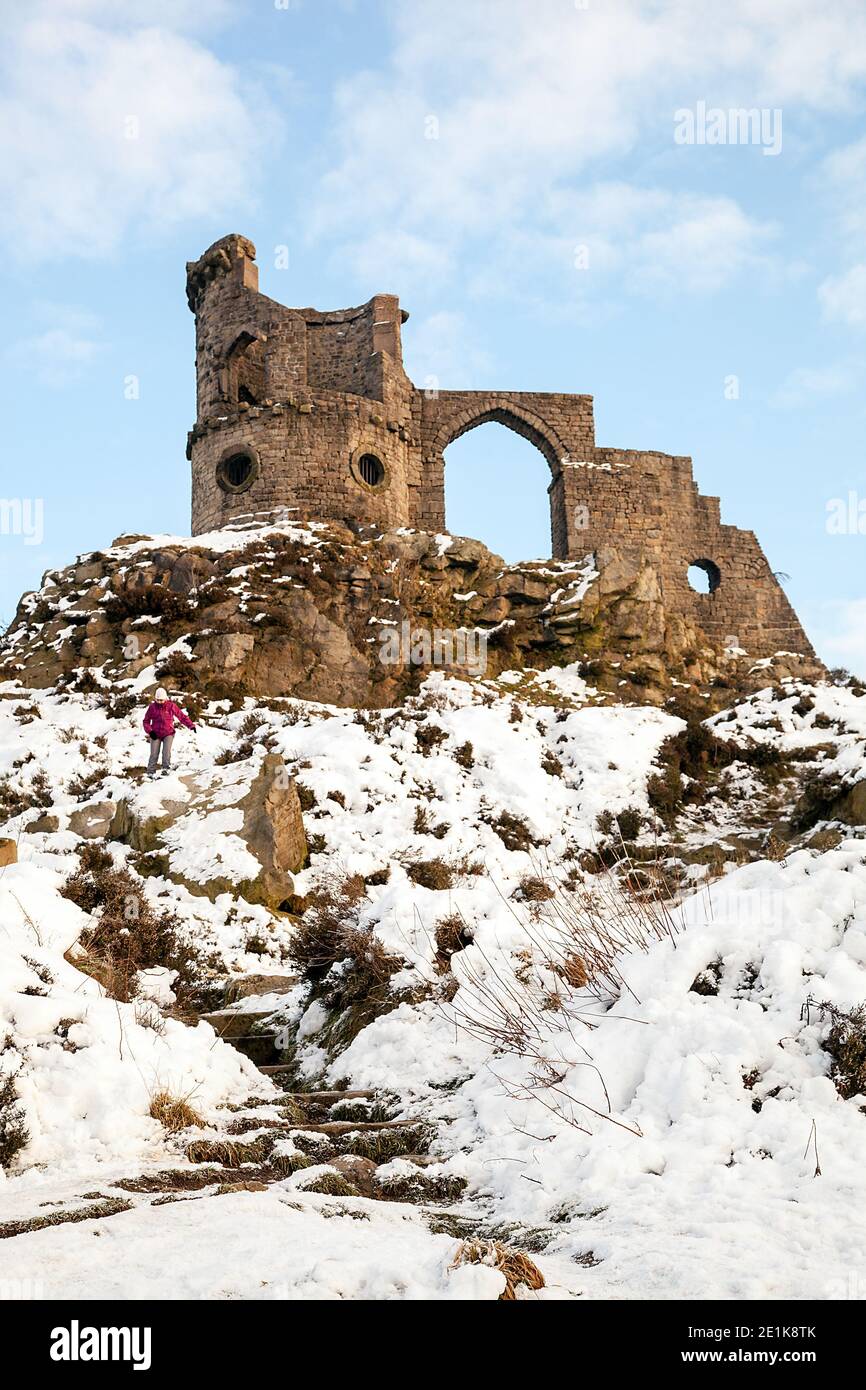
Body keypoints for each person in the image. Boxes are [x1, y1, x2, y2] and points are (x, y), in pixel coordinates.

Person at [143, 687, 196, 777]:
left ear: (165, 698)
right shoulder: (152, 707)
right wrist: (150, 731)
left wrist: (191, 725)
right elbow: (146, 721)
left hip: (168, 733)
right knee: (154, 754)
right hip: (155, 734)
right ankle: (150, 773)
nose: (159, 702)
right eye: (157, 700)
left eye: (161, 700)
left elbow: (181, 716)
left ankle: (165, 770)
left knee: (166, 753)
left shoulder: (171, 706)